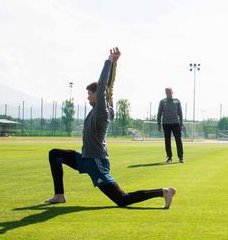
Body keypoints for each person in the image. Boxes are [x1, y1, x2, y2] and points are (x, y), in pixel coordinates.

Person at [44, 48, 176, 209]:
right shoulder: (104, 108)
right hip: (85, 159)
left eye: (89, 94)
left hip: (96, 161)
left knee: (122, 199)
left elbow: (104, 86)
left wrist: (108, 61)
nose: (87, 97)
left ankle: (164, 192)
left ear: (97, 94)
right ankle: (59, 195)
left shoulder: (101, 112)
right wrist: (115, 64)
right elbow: (110, 87)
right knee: (55, 154)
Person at [157, 87, 184, 163]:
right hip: (166, 124)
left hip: (176, 123)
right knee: (167, 141)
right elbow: (159, 113)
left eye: (169, 92)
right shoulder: (162, 102)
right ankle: (169, 158)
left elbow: (180, 113)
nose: (168, 94)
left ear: (172, 92)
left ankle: (180, 157)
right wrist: (159, 124)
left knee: (178, 140)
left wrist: (181, 123)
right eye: (166, 92)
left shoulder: (177, 101)